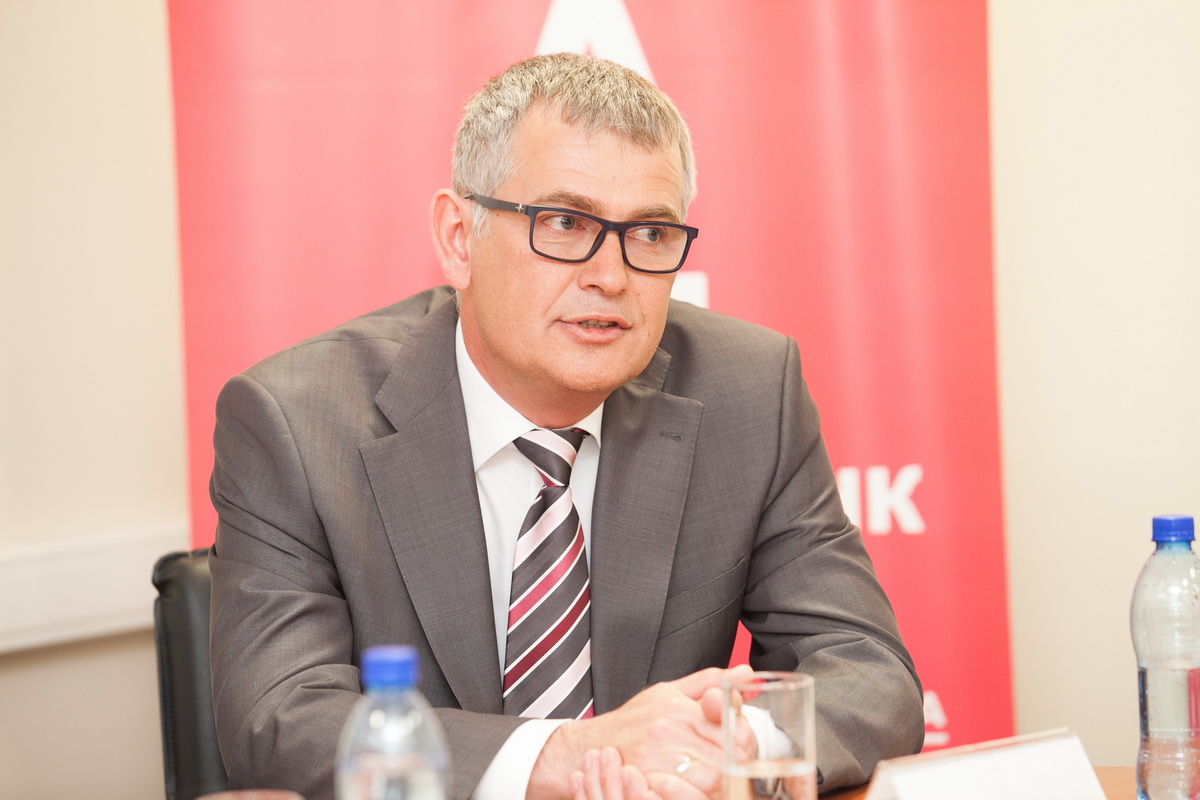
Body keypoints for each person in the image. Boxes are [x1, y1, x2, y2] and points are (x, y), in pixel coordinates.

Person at [208, 52, 924, 800]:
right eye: (564, 222)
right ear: (459, 237)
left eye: (650, 234)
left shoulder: (748, 392)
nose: (610, 276)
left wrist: (733, 750)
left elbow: (868, 673)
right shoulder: (297, 421)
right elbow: (279, 721)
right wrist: (567, 755)